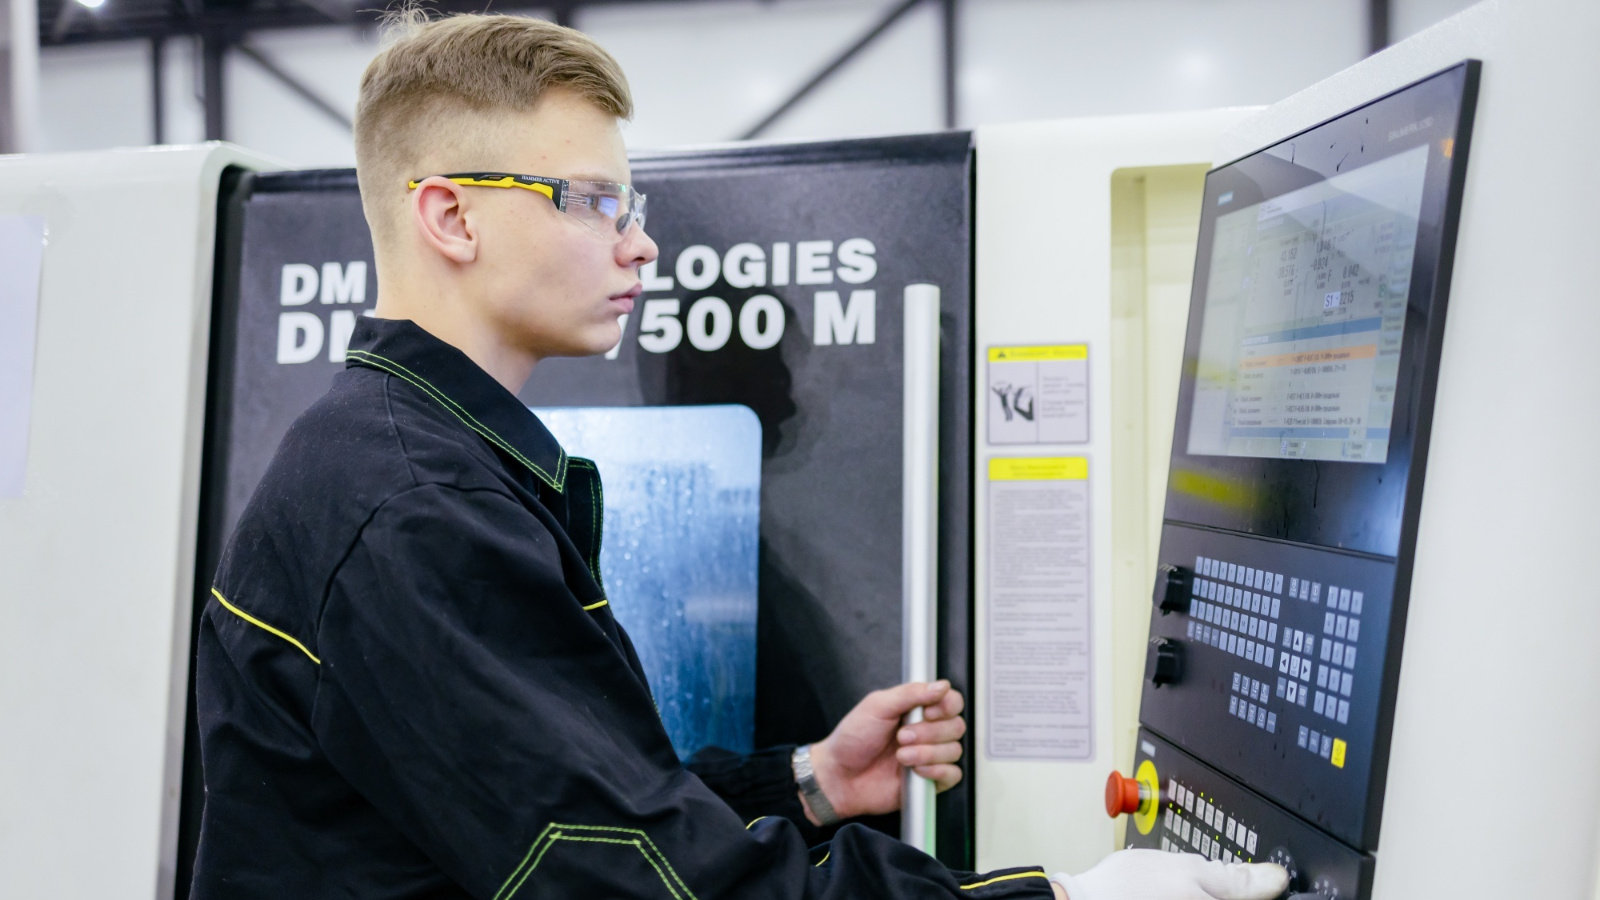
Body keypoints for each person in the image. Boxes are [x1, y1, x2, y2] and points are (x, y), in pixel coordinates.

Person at [188, 13, 1289, 900]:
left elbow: (585, 805)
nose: (639, 242)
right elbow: (643, 880)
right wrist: (1068, 895)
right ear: (450, 218)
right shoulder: (412, 508)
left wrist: (806, 781)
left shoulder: (418, 464)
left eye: (632, 204)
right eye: (595, 202)